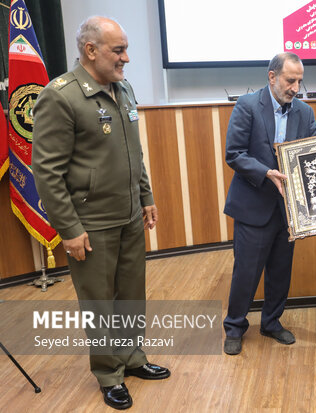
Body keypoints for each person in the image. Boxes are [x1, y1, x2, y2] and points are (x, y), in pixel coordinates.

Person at [32, 16, 169, 410]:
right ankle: (109, 374)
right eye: (118, 50)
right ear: (90, 51)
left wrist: (145, 196)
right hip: (90, 224)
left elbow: (133, 153)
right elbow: (47, 171)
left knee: (130, 295)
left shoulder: (121, 88)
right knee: (99, 303)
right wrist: (69, 229)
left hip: (128, 214)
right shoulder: (61, 96)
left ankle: (132, 358)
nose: (126, 58)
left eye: (125, 48)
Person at [222, 52, 316, 355]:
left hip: (287, 209)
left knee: (281, 270)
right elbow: (234, 154)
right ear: (272, 77)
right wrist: (266, 173)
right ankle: (235, 326)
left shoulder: (303, 112)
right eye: (290, 80)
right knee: (247, 272)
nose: (295, 87)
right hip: (254, 205)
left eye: (300, 81)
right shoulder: (248, 105)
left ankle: (271, 322)